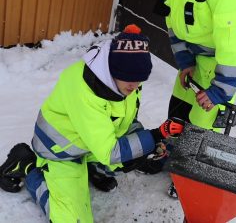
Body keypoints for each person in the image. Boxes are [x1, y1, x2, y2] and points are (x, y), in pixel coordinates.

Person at [0, 24, 184, 222]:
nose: (134, 85)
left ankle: (93, 168)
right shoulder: (86, 90)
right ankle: (27, 166)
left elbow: (124, 121)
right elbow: (110, 151)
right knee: (72, 219)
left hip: (90, 144)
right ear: (112, 68)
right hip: (61, 151)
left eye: (139, 79)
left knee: (134, 151)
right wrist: (154, 136)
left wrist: (152, 143)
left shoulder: (126, 80)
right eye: (128, 78)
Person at [145, 0, 236, 197]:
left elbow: (235, 42)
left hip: (233, 52)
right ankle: (172, 152)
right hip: (202, 46)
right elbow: (173, 21)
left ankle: (190, 174)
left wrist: (219, 90)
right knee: (180, 102)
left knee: (205, 119)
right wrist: (186, 62)